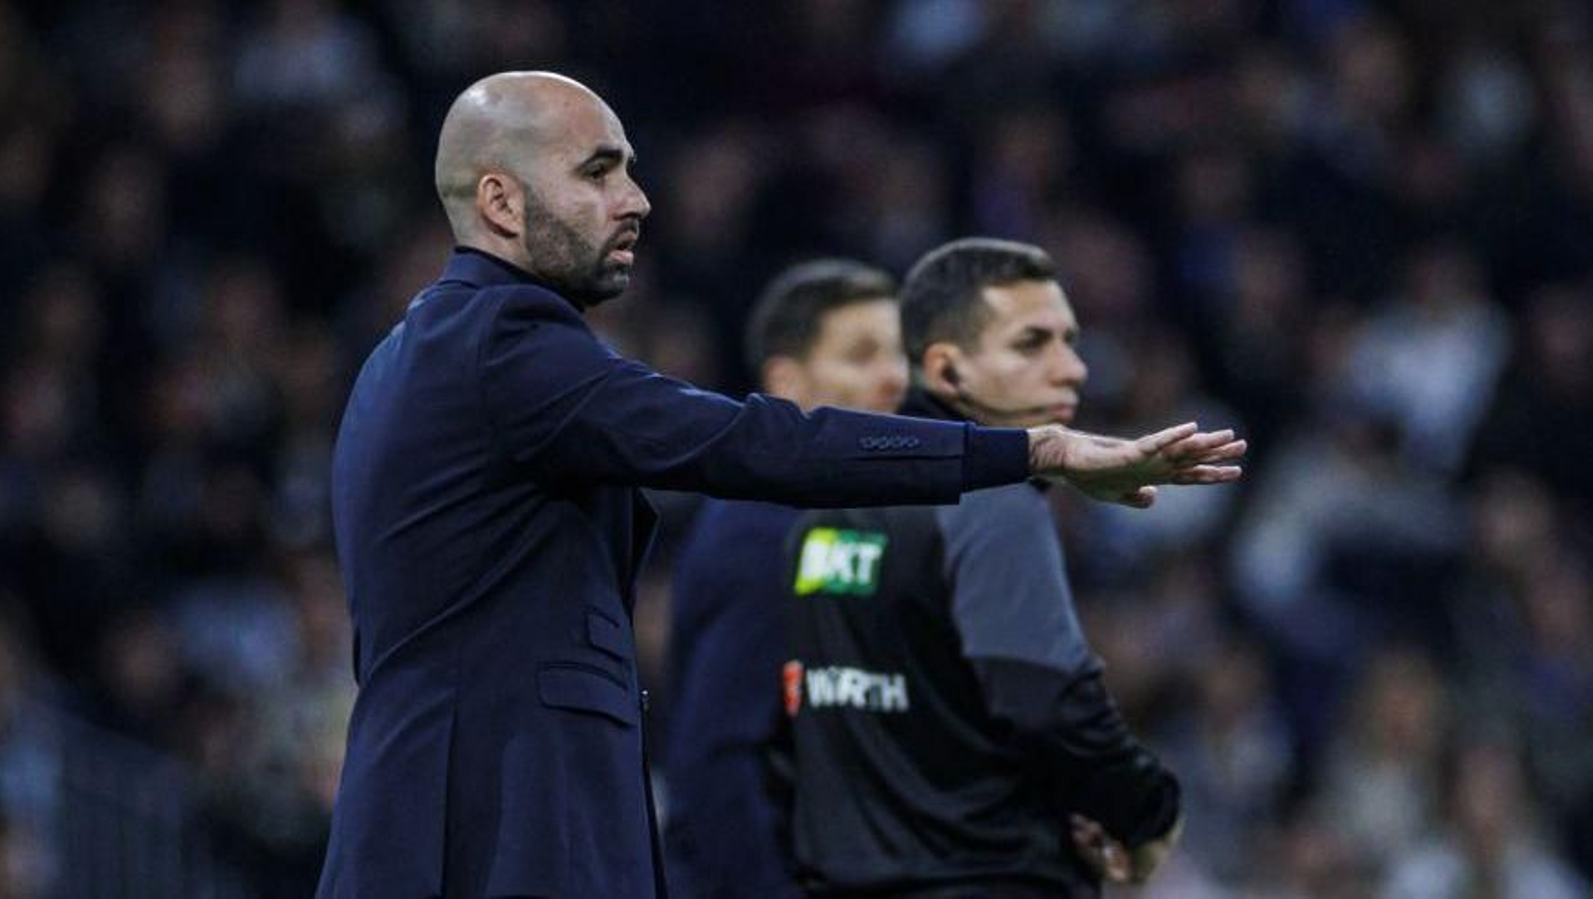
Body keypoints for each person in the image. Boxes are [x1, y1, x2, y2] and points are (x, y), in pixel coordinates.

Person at [319, 72, 1243, 899]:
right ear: (501, 201)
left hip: (447, 808)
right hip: (496, 822)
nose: (636, 199)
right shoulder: (506, 343)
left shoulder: (412, 358)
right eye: (599, 172)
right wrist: (1033, 450)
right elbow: (752, 443)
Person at [779, 237, 1190, 897]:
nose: (1074, 369)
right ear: (947, 372)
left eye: (1071, 340)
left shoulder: (820, 513)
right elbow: (1048, 704)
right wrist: (1149, 811)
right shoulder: (993, 505)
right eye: (1033, 343)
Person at [664, 259, 908, 898]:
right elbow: (717, 760)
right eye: (861, 356)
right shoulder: (764, 531)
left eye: (897, 355)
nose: (893, 379)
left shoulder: (859, 527)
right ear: (786, 383)